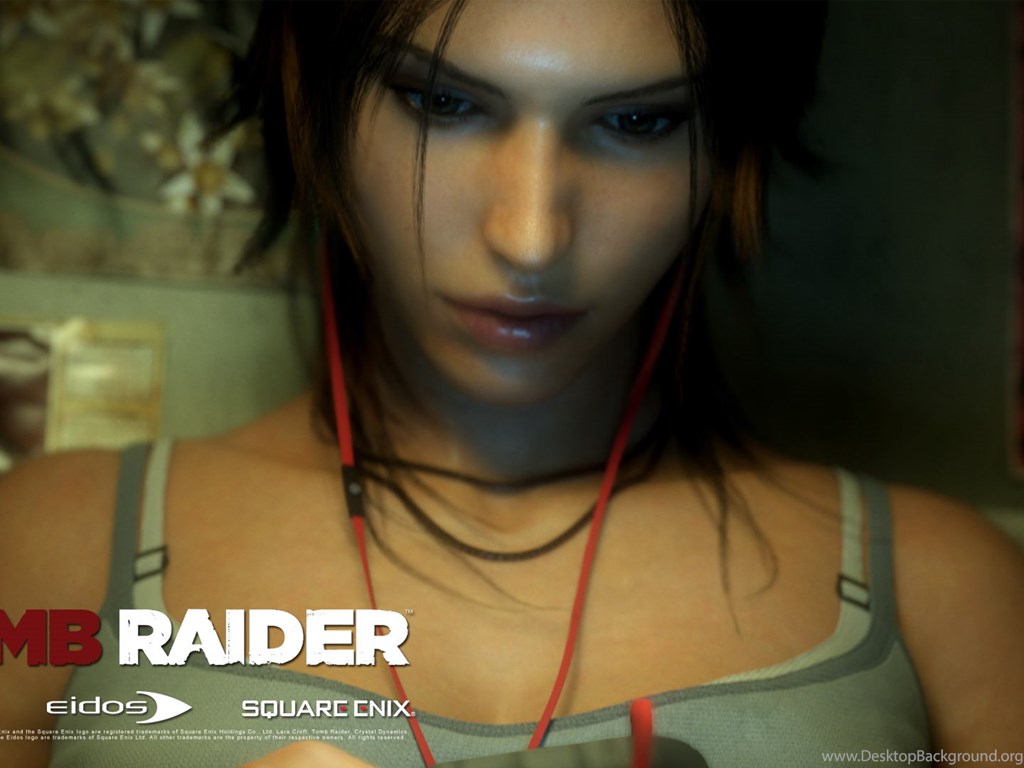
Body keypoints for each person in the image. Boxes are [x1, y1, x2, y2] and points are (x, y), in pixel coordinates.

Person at [2, 1, 1023, 767]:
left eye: (638, 121)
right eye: (443, 102)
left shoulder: (947, 592)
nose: (531, 236)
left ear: (730, 150)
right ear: (311, 100)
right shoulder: (51, 544)